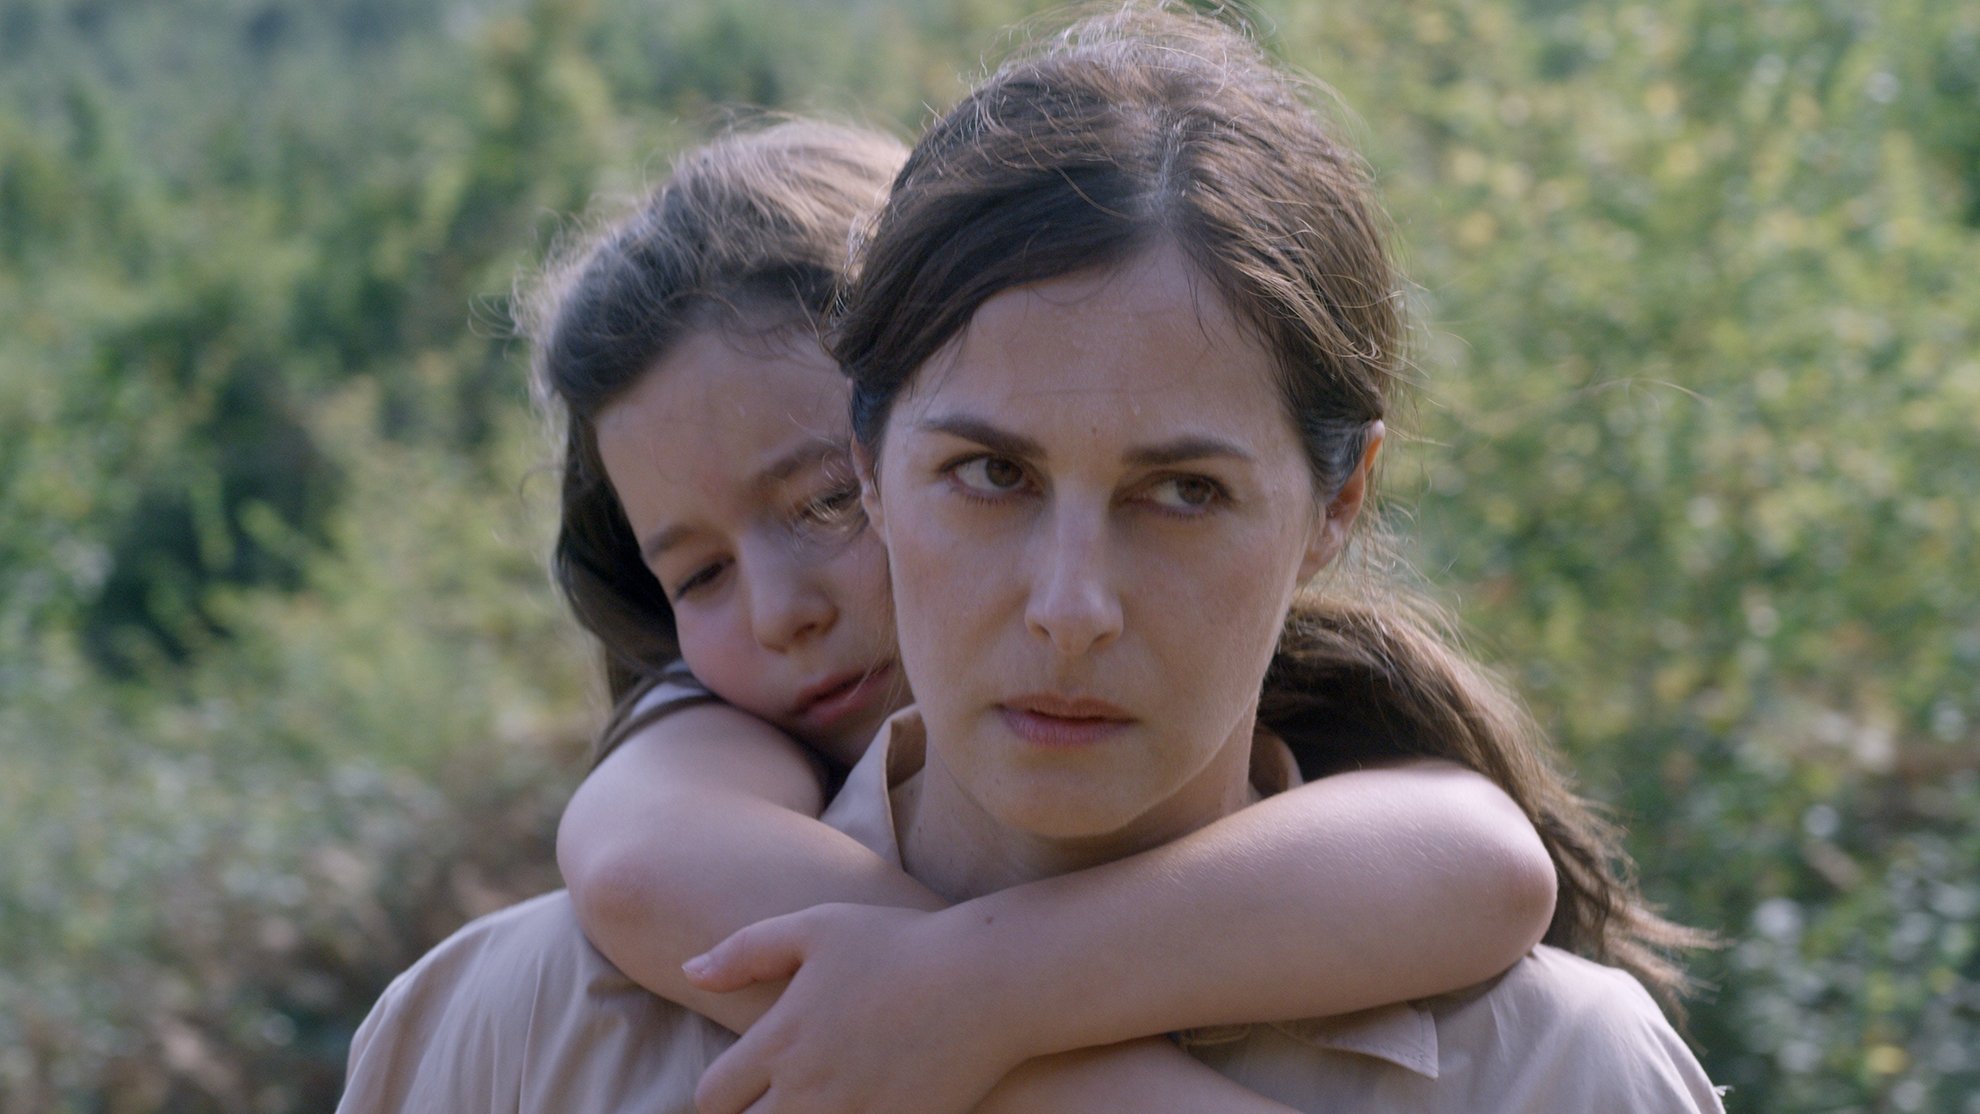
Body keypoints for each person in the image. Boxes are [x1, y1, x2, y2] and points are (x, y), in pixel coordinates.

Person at [338, 9, 1718, 1104]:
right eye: (992, 475)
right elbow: (643, 856)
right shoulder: (511, 1040)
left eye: (1183, 492)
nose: (1070, 608)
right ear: (872, 466)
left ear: (1335, 504)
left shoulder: (1561, 1077)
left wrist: (974, 1004)